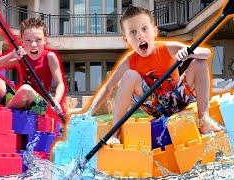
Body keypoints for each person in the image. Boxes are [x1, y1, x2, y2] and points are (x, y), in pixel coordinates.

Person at [86, 6, 224, 144]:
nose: (139, 35)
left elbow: (207, 53)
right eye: (133, 32)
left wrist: (189, 52)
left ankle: (204, 118)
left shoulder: (167, 48)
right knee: (129, 76)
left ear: (155, 32)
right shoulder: (129, 61)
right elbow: (108, 87)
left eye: (144, 29)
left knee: (199, 63)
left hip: (177, 99)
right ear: (126, 39)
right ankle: (114, 135)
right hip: (153, 105)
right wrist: (90, 111)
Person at [0, 18, 65, 117]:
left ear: (45, 40)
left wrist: (56, 101)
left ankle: (2, 116)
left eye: (38, 40)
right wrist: (11, 55)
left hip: (40, 107)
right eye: (28, 41)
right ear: (22, 41)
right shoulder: (22, 56)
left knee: (25, 89)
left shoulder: (50, 57)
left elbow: (60, 84)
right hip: (19, 101)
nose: (33, 45)